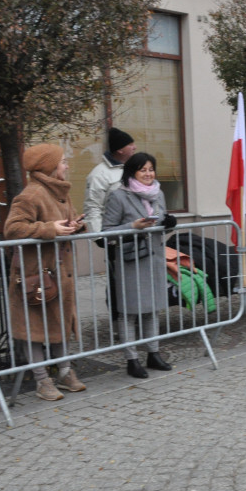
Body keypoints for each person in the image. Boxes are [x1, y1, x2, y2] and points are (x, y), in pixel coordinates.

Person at [3, 144, 86, 401]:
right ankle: (42, 380)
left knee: (61, 319)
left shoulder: (60, 192)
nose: (67, 165)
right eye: (62, 161)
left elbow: (64, 224)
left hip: (58, 271)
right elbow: (13, 228)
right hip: (34, 274)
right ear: (49, 167)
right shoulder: (32, 194)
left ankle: (64, 372)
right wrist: (49, 228)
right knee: (34, 327)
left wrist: (75, 226)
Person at [101, 152, 177, 378]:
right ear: (132, 172)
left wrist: (169, 224)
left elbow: (161, 222)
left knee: (153, 308)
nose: (148, 174)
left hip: (153, 257)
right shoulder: (118, 196)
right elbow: (106, 233)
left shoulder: (158, 193)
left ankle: (153, 353)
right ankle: (131, 359)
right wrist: (133, 226)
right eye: (142, 170)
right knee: (129, 312)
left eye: (151, 169)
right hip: (130, 260)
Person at [83, 128, 136, 233]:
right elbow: (93, 206)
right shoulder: (99, 175)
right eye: (130, 145)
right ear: (120, 150)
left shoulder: (135, 169)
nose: (135, 147)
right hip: (116, 235)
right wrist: (99, 236)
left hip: (138, 231)